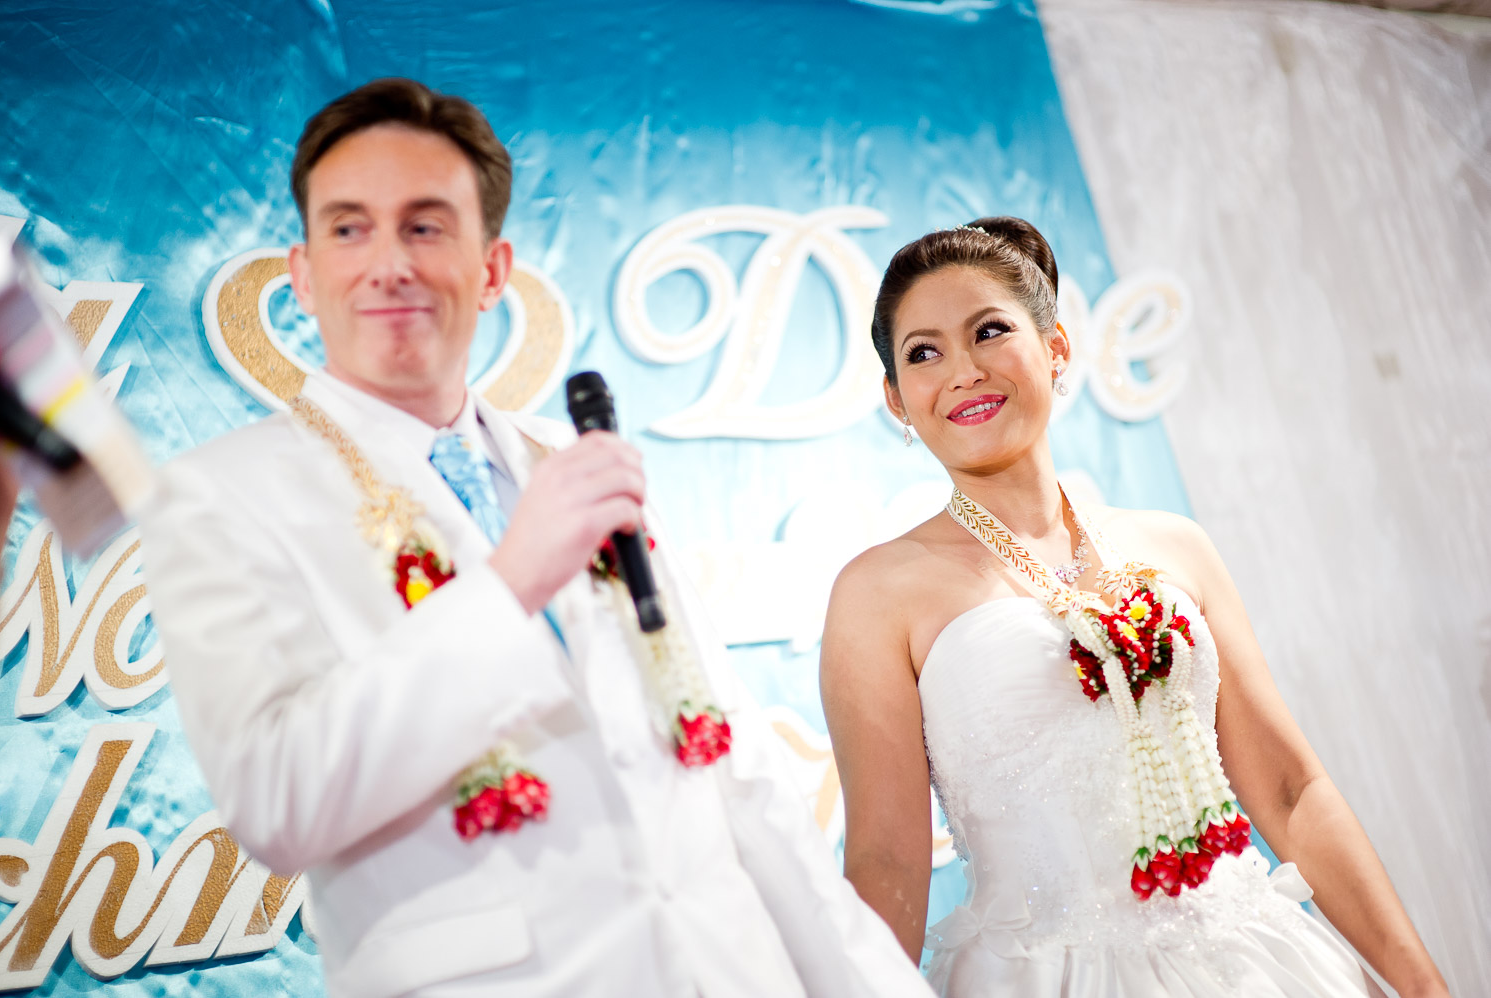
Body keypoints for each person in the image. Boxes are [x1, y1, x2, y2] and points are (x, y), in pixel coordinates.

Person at [139, 78, 934, 998]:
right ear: (304, 275)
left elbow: (737, 769)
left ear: (491, 271)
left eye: (425, 226)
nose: (388, 263)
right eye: (349, 228)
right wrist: (512, 579)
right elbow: (277, 801)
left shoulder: (572, 462)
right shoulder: (219, 495)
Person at [820, 217, 1450, 998]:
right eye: (924, 353)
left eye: (990, 331)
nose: (964, 371)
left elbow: (1291, 792)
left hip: (1258, 963)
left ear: (1056, 348)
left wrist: (1423, 985)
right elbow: (886, 860)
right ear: (896, 399)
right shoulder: (878, 592)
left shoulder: (1175, 545)